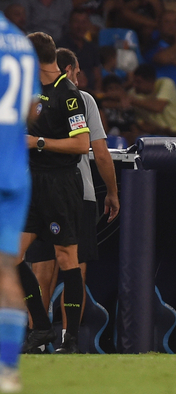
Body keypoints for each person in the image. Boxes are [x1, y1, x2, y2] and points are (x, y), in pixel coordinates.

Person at [25, 48, 120, 351]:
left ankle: (37, 337)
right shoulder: (83, 99)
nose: (79, 80)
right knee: (74, 265)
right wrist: (113, 193)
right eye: (77, 73)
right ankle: (68, 340)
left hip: (36, 190)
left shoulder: (30, 100)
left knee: (39, 267)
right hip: (77, 194)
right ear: (67, 69)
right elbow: (100, 153)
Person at [18, 31, 88, 355]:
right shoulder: (31, 92)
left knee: (66, 257)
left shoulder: (69, 94)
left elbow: (82, 144)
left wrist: (40, 143)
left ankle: (70, 338)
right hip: (32, 182)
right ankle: (41, 327)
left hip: (60, 184)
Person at [0, 11, 40, 392]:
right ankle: (7, 372)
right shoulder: (21, 43)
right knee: (5, 271)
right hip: (14, 172)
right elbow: (31, 109)